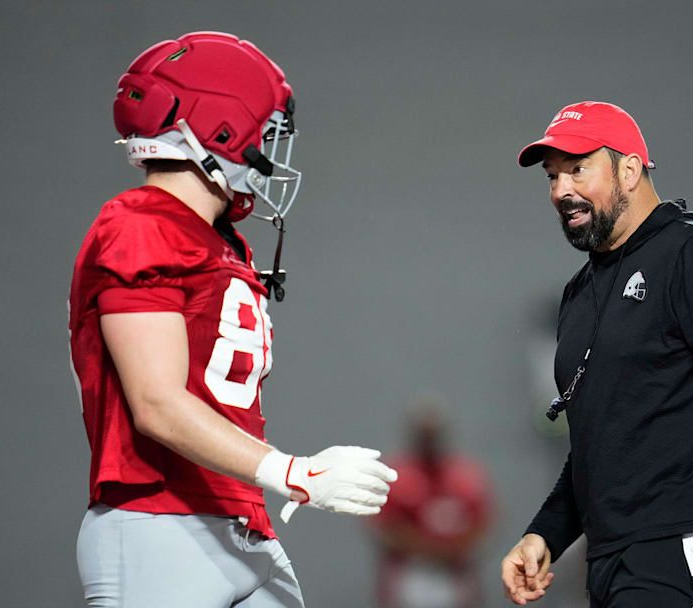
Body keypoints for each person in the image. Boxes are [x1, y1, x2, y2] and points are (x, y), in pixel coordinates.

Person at [68, 32, 397, 608]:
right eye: (265, 131)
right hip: (159, 523)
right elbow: (157, 404)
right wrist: (296, 472)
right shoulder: (141, 225)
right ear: (222, 127)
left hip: (237, 521)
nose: (271, 151)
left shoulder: (223, 243)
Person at [499, 101, 693, 608]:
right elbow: (603, 442)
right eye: (552, 177)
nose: (561, 191)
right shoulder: (580, 293)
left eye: (577, 169)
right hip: (614, 561)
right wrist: (544, 534)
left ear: (630, 168)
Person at [368, 400, 493, 608]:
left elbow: (483, 522)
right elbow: (381, 526)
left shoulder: (465, 476)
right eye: (424, 434)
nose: (429, 441)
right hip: (410, 571)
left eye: (433, 434)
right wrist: (425, 547)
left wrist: (455, 548)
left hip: (455, 571)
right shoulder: (393, 476)